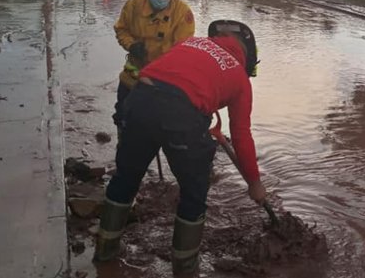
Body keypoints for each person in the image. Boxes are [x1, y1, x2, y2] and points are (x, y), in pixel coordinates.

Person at [94, 20, 267, 277]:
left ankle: (105, 254)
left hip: (139, 99)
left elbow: (165, 76)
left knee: (126, 177)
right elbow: (241, 135)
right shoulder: (240, 78)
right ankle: (185, 271)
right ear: (246, 56)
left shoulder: (191, 42)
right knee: (194, 191)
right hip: (181, 115)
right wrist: (254, 182)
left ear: (218, 38)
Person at [113, 0, 195, 135]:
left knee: (159, 132)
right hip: (131, 83)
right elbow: (122, 29)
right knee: (125, 124)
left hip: (163, 89)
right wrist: (132, 45)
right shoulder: (133, 5)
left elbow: (183, 51)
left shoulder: (182, 13)